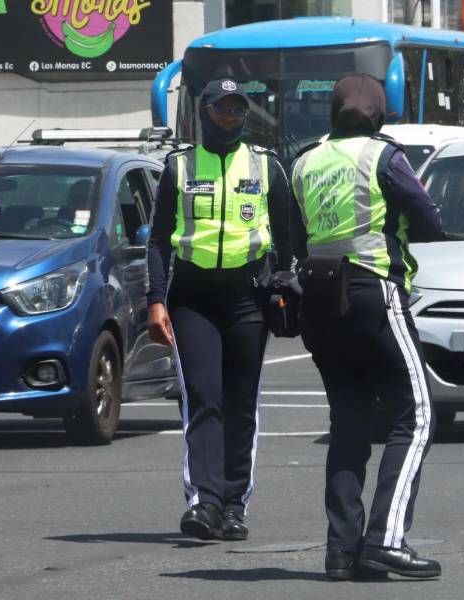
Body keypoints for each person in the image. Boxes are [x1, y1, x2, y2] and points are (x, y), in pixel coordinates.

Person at [290, 73, 444, 580]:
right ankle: (386, 539)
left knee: (349, 423)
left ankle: (342, 550)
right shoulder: (384, 156)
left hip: (318, 298)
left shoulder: (305, 160)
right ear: (378, 113)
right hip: (373, 288)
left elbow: (293, 235)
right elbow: (428, 220)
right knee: (415, 414)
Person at [146, 79, 291, 542]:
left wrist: (284, 286)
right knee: (203, 395)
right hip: (193, 297)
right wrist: (156, 300)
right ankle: (204, 501)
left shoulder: (267, 166)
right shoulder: (179, 166)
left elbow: (290, 240)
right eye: (222, 109)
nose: (230, 117)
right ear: (204, 111)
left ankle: (233, 505)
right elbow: (156, 240)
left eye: (237, 110)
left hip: (248, 296)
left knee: (241, 401)